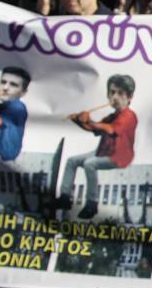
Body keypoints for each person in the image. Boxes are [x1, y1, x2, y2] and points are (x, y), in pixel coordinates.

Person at [57, 74, 138, 220]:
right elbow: (93, 129)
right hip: (103, 152)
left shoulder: (129, 116)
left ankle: (92, 204)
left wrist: (89, 121)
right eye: (112, 92)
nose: (115, 97)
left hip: (119, 156)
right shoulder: (111, 116)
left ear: (129, 97)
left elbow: (111, 129)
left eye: (120, 93)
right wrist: (78, 121)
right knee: (72, 161)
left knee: (90, 163)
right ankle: (64, 197)